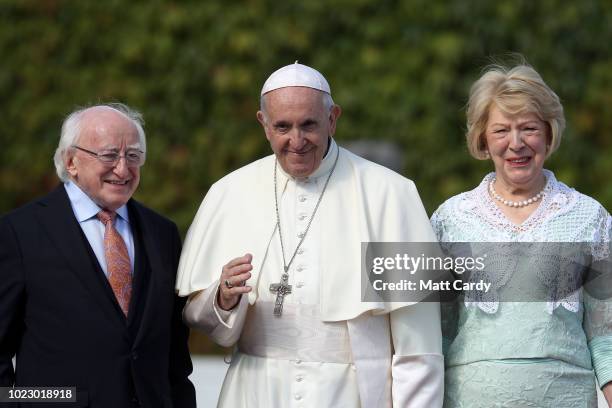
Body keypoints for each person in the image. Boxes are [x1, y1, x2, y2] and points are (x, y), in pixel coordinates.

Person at [177, 62, 443, 407]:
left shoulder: (392, 194)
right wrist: (223, 297)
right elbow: (202, 321)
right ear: (263, 124)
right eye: (283, 127)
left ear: (333, 118)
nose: (296, 141)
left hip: (352, 394)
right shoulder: (229, 192)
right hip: (255, 392)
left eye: (309, 125)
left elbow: (419, 348)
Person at [430, 64, 612, 407]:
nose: (516, 143)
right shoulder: (447, 219)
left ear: (548, 133)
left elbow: (607, 338)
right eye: (501, 130)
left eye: (528, 128)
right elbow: (432, 335)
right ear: (483, 138)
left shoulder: (591, 218)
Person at [0, 104, 196, 407]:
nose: (122, 168)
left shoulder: (162, 233)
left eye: (133, 156)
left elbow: (175, 357)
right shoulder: (19, 233)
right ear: (71, 161)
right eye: (108, 155)